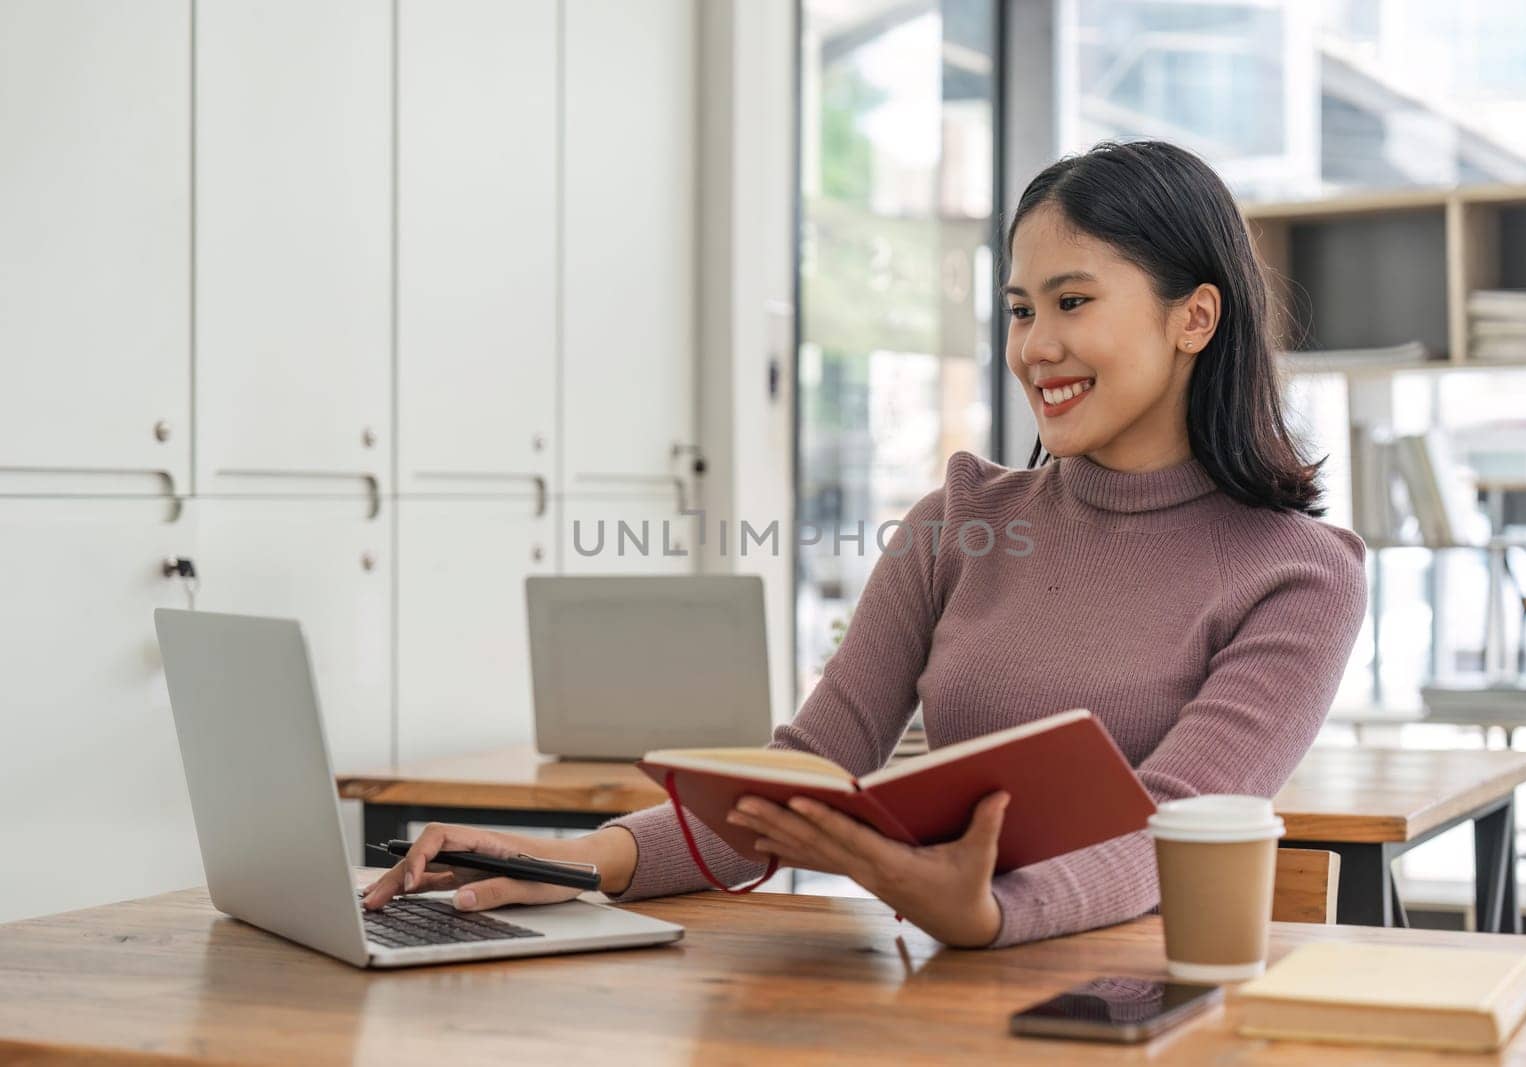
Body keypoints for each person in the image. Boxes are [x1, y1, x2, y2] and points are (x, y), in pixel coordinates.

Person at [362, 140, 1368, 949]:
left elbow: (1172, 827)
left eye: (1071, 302)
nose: (1033, 347)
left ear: (1193, 316)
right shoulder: (958, 523)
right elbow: (804, 770)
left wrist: (979, 909)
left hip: (1118, 1001)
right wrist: (575, 860)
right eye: (1019, 311)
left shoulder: (1299, 574)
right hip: (930, 981)